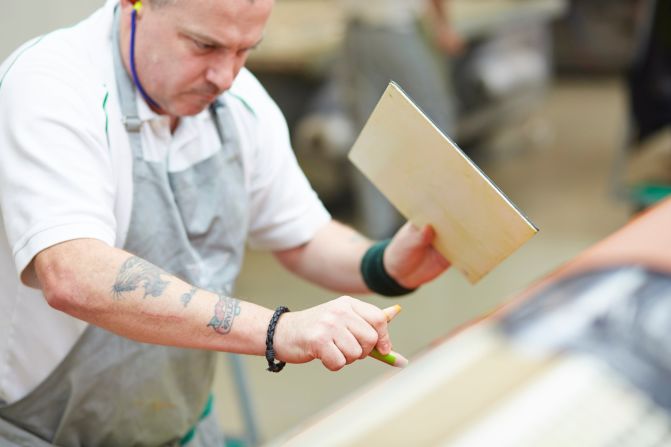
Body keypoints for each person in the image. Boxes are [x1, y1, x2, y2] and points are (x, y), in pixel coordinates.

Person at [0, 0, 451, 445]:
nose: (225, 76)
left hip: (177, 427)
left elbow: (302, 235)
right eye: (204, 45)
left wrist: (384, 263)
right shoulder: (52, 84)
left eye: (244, 50)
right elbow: (73, 272)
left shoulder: (240, 102)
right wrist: (278, 330)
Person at [342, 0, 464, 238]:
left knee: (371, 132)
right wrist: (443, 26)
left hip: (355, 34)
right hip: (395, 31)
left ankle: (379, 232)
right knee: (434, 123)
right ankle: (440, 224)